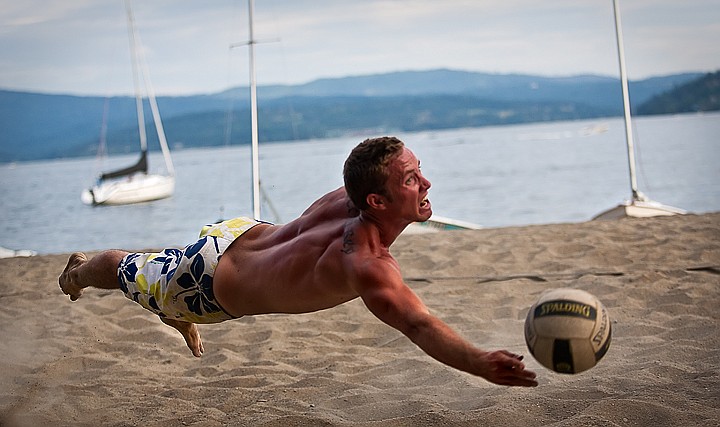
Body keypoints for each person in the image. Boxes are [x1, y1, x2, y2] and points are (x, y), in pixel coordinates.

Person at [59, 136, 538, 387]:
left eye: (419, 171)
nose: (427, 183)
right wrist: (478, 362)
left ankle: (173, 313)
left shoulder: (348, 193)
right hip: (207, 284)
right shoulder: (367, 262)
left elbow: (361, 168)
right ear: (375, 199)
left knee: (163, 284)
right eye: (412, 179)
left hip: (240, 233)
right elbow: (419, 325)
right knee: (125, 267)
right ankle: (77, 272)